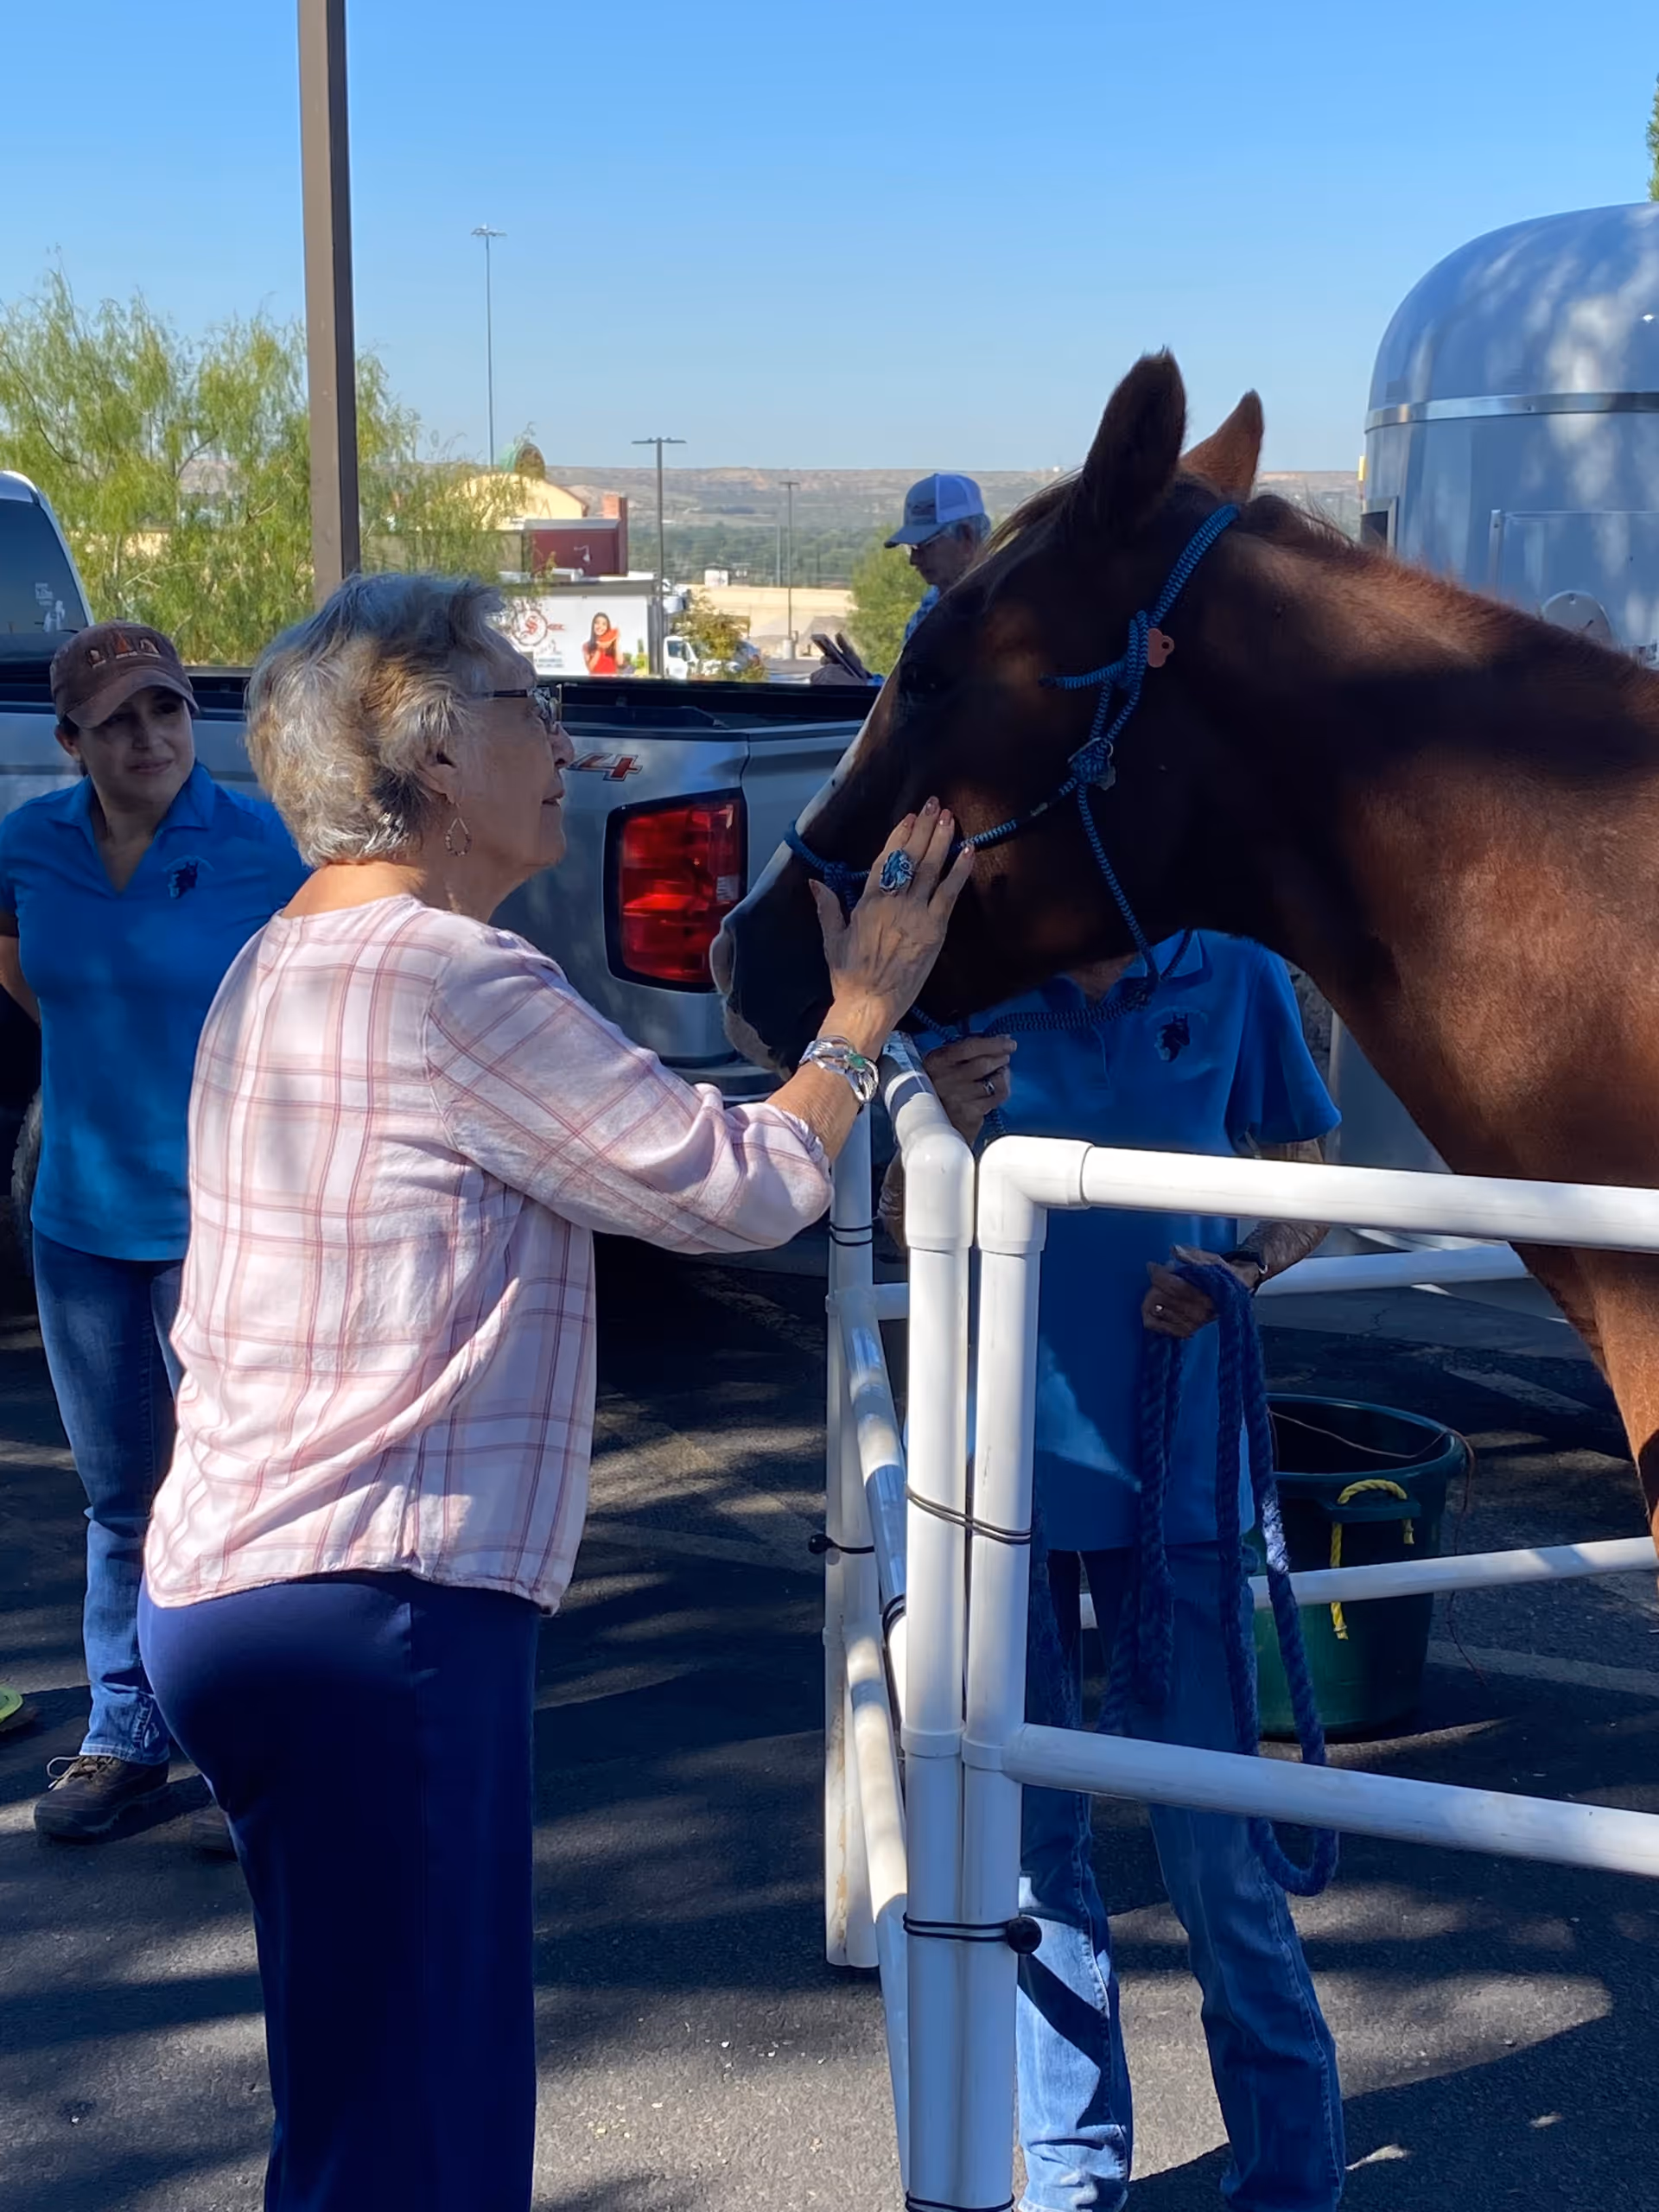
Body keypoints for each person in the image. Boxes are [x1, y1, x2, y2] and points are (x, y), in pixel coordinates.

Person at [137, 573, 972, 2212]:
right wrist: (863, 1011)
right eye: (532, 703)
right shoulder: (454, 982)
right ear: (431, 756)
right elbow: (737, 1185)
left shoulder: (280, 962)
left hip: (241, 1590)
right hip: (375, 1610)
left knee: (360, 2098)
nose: (565, 738)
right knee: (424, 2132)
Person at [881, 930, 1345, 2212]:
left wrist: (1235, 1271)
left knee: (1220, 1862)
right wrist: (936, 1138)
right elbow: (885, 1219)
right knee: (1032, 1856)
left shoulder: (1236, 969)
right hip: (992, 1485)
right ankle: (1077, 2178)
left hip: (1180, 1475)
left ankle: (1293, 2180)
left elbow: (1307, 1179)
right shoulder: (963, 975)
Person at [0, 623, 308, 1847]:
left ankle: (255, 1744)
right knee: (122, 1494)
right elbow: (29, 976)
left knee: (239, 1489)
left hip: (224, 1226)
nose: (152, 740)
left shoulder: (258, 845)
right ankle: (124, 1729)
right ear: (71, 742)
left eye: (168, 712)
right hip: (79, 1223)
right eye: (120, 721)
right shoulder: (27, 846)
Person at [886, 471, 992, 644]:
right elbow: (912, 672)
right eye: (910, 547)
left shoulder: (1006, 610)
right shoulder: (931, 605)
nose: (913, 560)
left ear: (967, 538)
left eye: (924, 545)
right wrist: (856, 671)